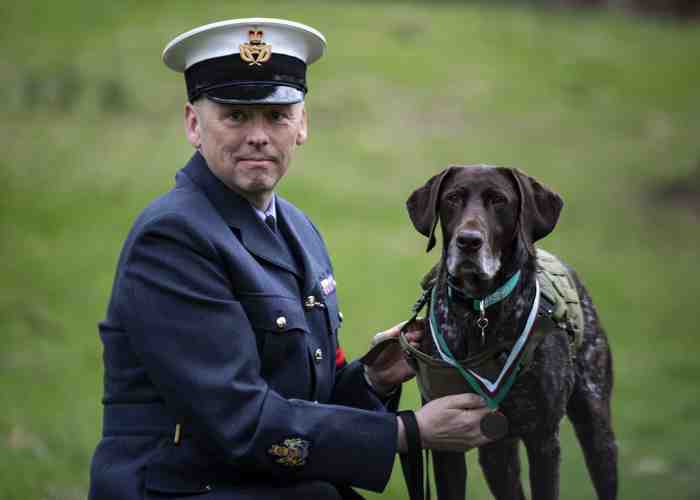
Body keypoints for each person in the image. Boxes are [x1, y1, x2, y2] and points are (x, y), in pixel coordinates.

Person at [88, 18, 492, 500]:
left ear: (302, 125)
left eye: (277, 116)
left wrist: (373, 376)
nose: (259, 135)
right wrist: (408, 432)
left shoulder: (297, 227)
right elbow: (240, 421)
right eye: (236, 116)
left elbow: (300, 402)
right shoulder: (173, 238)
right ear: (194, 124)